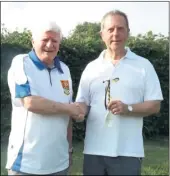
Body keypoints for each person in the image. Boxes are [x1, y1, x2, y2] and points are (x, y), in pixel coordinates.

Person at [75, 10, 163, 175]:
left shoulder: (144, 66)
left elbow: (155, 105)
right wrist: (76, 111)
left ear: (128, 33)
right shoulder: (91, 68)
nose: (116, 34)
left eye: (121, 29)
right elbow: (83, 103)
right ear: (102, 34)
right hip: (94, 151)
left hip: (128, 152)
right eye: (111, 29)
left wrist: (128, 108)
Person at [6, 20, 85, 175]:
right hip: (26, 164)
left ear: (59, 44)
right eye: (45, 40)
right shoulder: (21, 63)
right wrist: (69, 108)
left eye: (54, 41)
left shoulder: (65, 70)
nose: (50, 45)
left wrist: (69, 148)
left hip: (59, 163)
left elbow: (68, 115)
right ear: (33, 41)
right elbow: (30, 102)